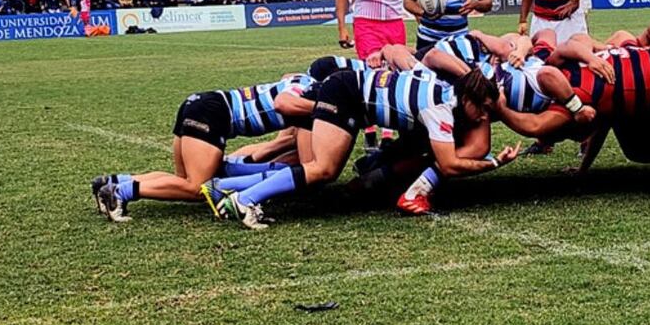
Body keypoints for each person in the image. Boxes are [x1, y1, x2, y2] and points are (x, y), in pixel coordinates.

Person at [211, 68, 521, 229]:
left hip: (350, 93)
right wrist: (494, 164)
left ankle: (223, 187)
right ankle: (245, 199)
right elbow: (450, 165)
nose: (484, 118)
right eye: (482, 109)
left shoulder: (450, 93)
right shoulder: (440, 108)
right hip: (346, 93)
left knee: (322, 170)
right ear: (468, 99)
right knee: (323, 169)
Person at [93, 73, 315, 222]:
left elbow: (286, 79)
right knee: (199, 188)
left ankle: (113, 181)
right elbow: (283, 107)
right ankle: (120, 193)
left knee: (182, 180)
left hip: (202, 102)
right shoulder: (312, 91)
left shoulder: (301, 78)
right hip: (212, 113)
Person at [336, 0, 413, 148]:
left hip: (395, 24)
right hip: (366, 25)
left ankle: (388, 135)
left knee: (394, 76)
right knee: (372, 74)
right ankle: (369, 130)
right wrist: (342, 27)